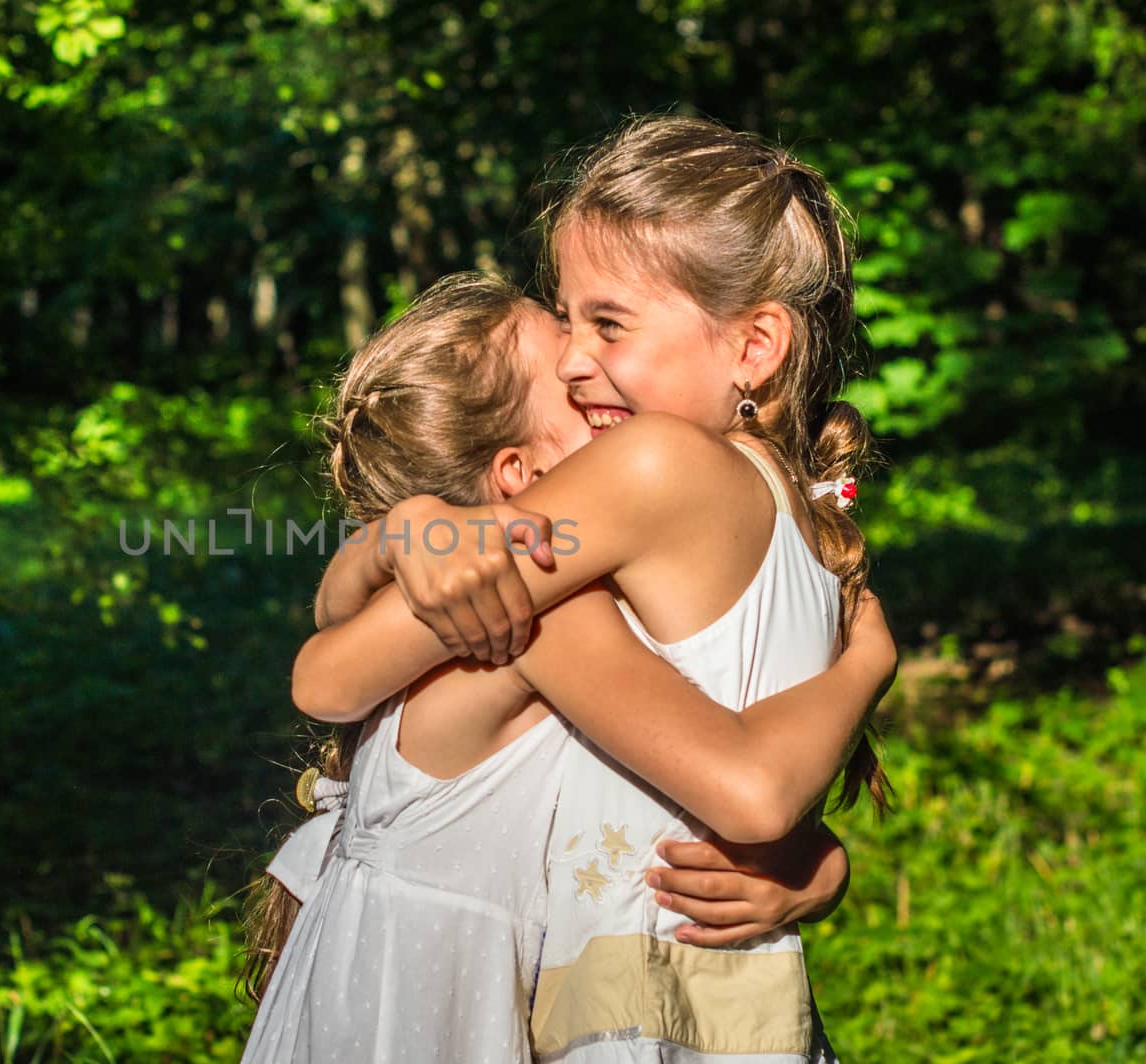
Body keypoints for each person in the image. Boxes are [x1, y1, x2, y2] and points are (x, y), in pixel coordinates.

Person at [299, 115, 888, 1062]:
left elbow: (330, 677)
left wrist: (406, 534)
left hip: (633, 1009)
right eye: (567, 318)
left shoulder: (652, 466)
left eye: (608, 322)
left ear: (755, 346)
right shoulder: (800, 512)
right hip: (732, 1009)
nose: (576, 360)